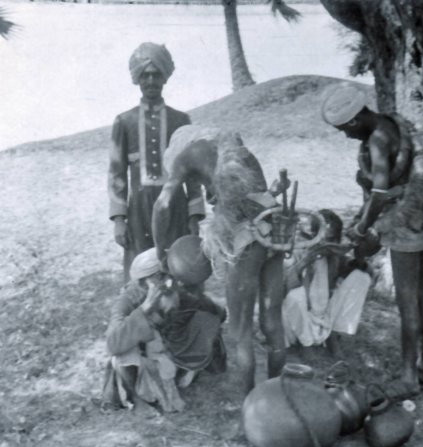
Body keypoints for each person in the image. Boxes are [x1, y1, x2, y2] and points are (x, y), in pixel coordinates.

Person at [151, 125, 290, 396]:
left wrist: (160, 251)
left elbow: (162, 206)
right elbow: (258, 199)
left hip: (246, 241)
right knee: (273, 323)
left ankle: (251, 405)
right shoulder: (232, 149)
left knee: (241, 332)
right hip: (273, 234)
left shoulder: (186, 156)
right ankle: (279, 396)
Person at [321, 83, 423, 399]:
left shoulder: (377, 139)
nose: (346, 136)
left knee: (408, 301)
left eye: (345, 130)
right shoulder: (391, 125)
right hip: (418, 218)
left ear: (355, 120)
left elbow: (381, 191)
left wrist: (362, 228)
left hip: (402, 225)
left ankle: (410, 378)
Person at [107, 42, 205, 282]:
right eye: (146, 75)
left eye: (156, 75)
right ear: (138, 79)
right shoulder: (124, 121)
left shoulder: (181, 120)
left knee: (180, 269)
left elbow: (192, 174)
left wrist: (194, 216)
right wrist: (119, 220)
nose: (151, 81)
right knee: (141, 271)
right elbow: (116, 173)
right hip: (139, 209)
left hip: (175, 207)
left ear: (165, 78)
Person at [101, 247, 226, 412]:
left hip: (169, 358)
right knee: (121, 356)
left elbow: (218, 312)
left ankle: (178, 378)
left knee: (205, 320)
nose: (168, 280)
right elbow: (112, 344)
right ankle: (136, 399)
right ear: (143, 282)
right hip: (144, 366)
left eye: (168, 275)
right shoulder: (126, 302)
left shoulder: (172, 292)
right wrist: (144, 310)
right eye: (160, 277)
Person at [282, 209, 371, 355]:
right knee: (295, 296)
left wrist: (360, 257)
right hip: (297, 320)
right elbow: (286, 288)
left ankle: (333, 336)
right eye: (324, 239)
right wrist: (306, 261)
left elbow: (359, 272)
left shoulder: (336, 257)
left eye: (333, 239)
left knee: (361, 278)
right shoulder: (298, 251)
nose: (328, 243)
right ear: (313, 235)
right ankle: (306, 345)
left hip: (324, 318)